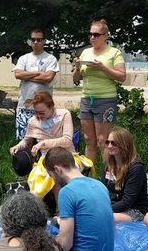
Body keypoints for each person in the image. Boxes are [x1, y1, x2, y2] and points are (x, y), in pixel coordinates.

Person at [44, 147, 114, 251]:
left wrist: (47, 242)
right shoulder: (100, 185)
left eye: (52, 176)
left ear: (57, 169)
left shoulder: (67, 192)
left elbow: (65, 244)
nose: (55, 182)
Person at [70, 19, 126, 164]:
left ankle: (109, 174)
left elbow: (121, 76)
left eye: (96, 34)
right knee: (89, 140)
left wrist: (103, 67)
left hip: (105, 99)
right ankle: (90, 175)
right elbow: (77, 78)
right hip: (87, 98)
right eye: (90, 34)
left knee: (103, 141)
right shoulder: (86, 53)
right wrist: (77, 67)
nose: (92, 38)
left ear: (105, 35)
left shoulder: (114, 53)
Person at [13, 28, 59, 140]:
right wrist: (38, 73)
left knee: (43, 142)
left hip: (44, 108)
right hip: (24, 107)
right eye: (33, 39)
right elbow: (18, 74)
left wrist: (27, 76)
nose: (35, 42)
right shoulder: (24, 58)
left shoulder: (50, 59)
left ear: (44, 41)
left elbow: (48, 77)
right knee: (24, 142)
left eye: (39, 39)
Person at [8, 92, 74, 163]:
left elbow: (67, 141)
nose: (39, 116)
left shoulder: (64, 114)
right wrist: (18, 146)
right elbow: (27, 140)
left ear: (51, 107)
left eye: (42, 113)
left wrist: (43, 143)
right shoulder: (33, 121)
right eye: (36, 112)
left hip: (68, 155)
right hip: (46, 158)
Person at [102, 127, 148, 223]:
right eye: (108, 142)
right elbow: (103, 191)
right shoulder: (107, 165)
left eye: (113, 143)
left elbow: (127, 201)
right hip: (111, 206)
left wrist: (103, 210)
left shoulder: (136, 169)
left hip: (134, 210)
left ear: (124, 144)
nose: (109, 146)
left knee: (103, 218)